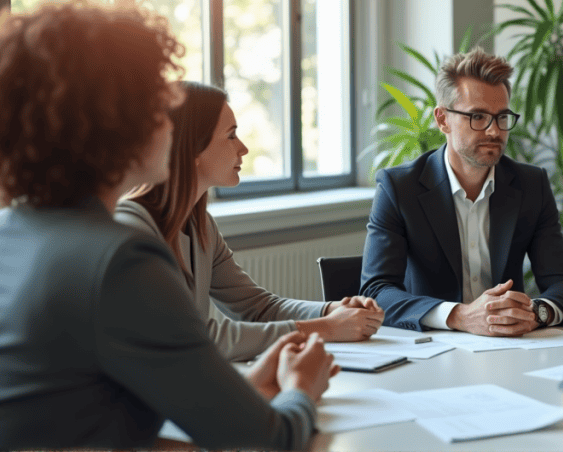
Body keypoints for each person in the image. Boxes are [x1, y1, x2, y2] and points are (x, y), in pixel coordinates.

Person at [0, 0, 336, 449]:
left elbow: (77, 420)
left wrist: (244, 391)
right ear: (119, 124)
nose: (169, 124)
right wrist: (302, 389)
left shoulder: (14, 232)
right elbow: (267, 441)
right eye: (160, 105)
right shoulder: (119, 259)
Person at [116, 81, 384, 362]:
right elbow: (192, 336)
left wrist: (331, 312)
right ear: (193, 147)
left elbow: (258, 307)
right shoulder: (134, 228)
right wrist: (324, 329)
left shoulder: (201, 225)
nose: (242, 148)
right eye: (231, 136)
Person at [361, 48, 563, 335]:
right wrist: (459, 316)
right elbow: (376, 291)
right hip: (433, 349)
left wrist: (536, 313)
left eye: (502, 117)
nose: (494, 131)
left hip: (508, 348)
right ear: (443, 120)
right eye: (478, 117)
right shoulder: (399, 188)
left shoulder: (530, 185)